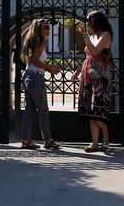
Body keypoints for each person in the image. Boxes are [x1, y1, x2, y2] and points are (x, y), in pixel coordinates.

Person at [71, 10, 113, 152]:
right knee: (90, 111)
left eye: (89, 21)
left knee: (98, 109)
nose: (87, 24)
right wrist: (77, 72)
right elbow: (89, 57)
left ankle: (105, 137)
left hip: (100, 77)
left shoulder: (105, 35)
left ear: (96, 22)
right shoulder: (93, 36)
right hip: (88, 76)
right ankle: (95, 142)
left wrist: (85, 36)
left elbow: (95, 52)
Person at [20, 18, 61, 149]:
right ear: (39, 29)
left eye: (48, 27)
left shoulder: (32, 40)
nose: (48, 29)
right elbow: (34, 60)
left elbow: (33, 61)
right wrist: (49, 68)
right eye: (45, 27)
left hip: (27, 76)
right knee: (43, 110)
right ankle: (48, 140)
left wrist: (48, 67)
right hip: (35, 78)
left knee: (29, 111)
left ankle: (26, 140)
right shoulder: (41, 41)